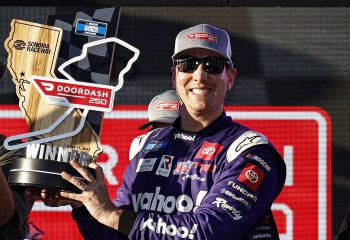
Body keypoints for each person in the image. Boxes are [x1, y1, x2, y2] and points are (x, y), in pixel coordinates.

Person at [59, 23, 287, 239]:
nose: (199, 75)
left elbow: (208, 232)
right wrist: (84, 206)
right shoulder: (148, 144)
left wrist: (111, 215)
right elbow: (117, 234)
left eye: (213, 66)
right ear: (174, 76)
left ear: (230, 78)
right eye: (187, 64)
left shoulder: (249, 152)